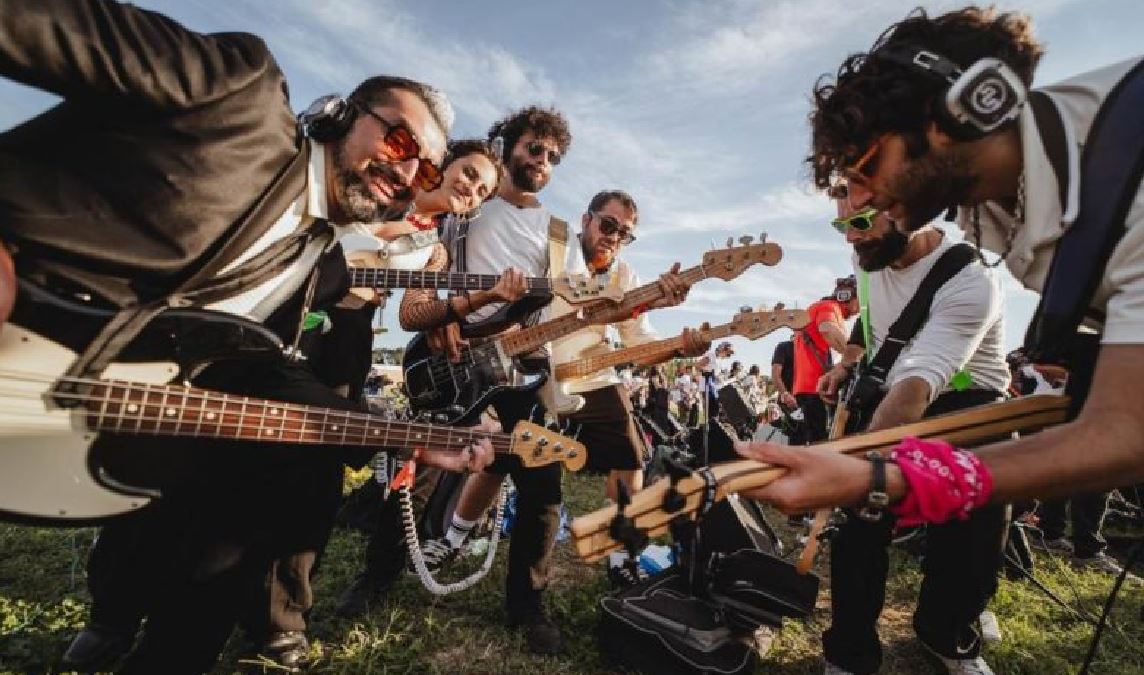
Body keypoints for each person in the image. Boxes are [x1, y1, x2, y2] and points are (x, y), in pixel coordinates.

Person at [0, 3, 494, 671]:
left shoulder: (322, 264)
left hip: (81, 418)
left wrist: (404, 435)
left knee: (230, 526)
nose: (408, 174)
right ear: (340, 114)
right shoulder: (241, 94)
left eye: (426, 171)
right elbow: (37, 24)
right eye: (400, 143)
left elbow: (276, 373)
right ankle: (113, 614)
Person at [737, 6, 1144, 574]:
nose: (859, 202)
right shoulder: (989, 212)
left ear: (967, 108)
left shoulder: (1129, 173)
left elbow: (1124, 433)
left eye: (865, 167)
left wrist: (880, 477)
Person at [392, 105, 577, 655]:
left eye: (553, 156)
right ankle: (377, 574)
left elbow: (568, 301)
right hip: (451, 358)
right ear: (509, 146)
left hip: (519, 363)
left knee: (542, 481)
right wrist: (438, 319)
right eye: (534, 148)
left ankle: (528, 605)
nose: (543, 161)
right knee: (414, 461)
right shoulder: (471, 202)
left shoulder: (559, 233)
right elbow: (431, 265)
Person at [814, 195, 1010, 675]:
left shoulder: (970, 278)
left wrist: (856, 464)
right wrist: (846, 365)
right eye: (841, 225)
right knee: (858, 527)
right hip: (892, 394)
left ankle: (946, 634)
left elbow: (920, 382)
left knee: (973, 530)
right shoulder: (868, 257)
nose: (850, 237)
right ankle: (850, 654)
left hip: (964, 403)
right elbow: (870, 323)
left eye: (861, 221)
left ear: (911, 213)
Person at [332, 140, 505, 618]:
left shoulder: (435, 249)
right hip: (296, 311)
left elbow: (412, 312)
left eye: (483, 190)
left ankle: (370, 579)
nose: (471, 190)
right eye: (468, 174)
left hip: (349, 333)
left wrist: (459, 307)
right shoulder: (383, 190)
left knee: (328, 462)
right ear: (444, 164)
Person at [791, 279, 859, 443]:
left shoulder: (818, 307)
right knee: (824, 442)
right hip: (818, 388)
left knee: (816, 440)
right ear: (846, 296)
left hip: (808, 386)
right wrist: (855, 356)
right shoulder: (829, 306)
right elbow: (827, 329)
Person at [771, 338, 798, 411]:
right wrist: (785, 394)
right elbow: (775, 375)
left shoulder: (814, 349)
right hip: (790, 402)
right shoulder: (784, 346)